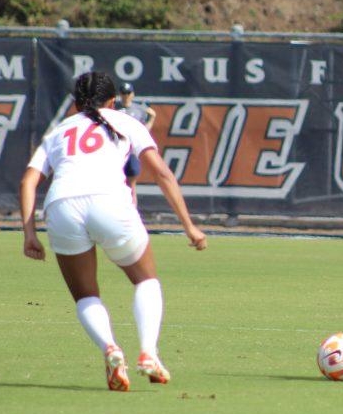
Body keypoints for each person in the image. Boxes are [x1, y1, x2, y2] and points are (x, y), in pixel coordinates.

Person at [20, 71, 207, 391]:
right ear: (112, 101)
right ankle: (148, 352)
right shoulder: (126, 121)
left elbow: (29, 181)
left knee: (85, 294)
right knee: (145, 279)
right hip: (110, 202)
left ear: (76, 104)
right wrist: (188, 225)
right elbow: (162, 173)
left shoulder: (59, 130)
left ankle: (110, 348)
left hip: (62, 206)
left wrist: (29, 233)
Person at [115, 82, 156, 204]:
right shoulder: (114, 109)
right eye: (123, 93)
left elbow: (144, 131)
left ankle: (133, 214)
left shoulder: (139, 110)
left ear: (132, 94)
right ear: (120, 94)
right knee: (116, 184)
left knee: (131, 186)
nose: (126, 96)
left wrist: (152, 118)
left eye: (128, 93)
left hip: (131, 151)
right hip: (117, 151)